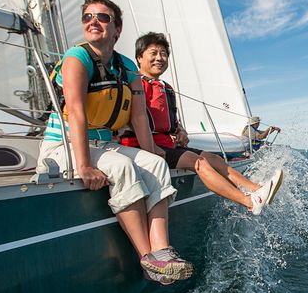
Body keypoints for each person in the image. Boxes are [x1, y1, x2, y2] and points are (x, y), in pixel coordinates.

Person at [37, 0, 191, 286]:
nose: (93, 22)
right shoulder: (76, 59)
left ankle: (162, 251)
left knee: (156, 166)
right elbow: (78, 114)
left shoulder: (126, 67)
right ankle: (147, 258)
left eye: (102, 17)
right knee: (121, 167)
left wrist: (151, 154)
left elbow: (139, 117)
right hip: (65, 145)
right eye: (88, 17)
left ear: (117, 29)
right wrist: (83, 166)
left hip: (104, 144)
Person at [120, 32, 282, 215]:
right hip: (145, 147)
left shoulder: (166, 88)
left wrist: (181, 131)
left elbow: (172, 121)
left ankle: (256, 189)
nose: (160, 58)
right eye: (154, 53)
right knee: (199, 162)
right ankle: (250, 202)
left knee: (215, 159)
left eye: (164, 53)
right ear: (139, 57)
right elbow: (133, 117)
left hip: (167, 145)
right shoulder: (134, 85)